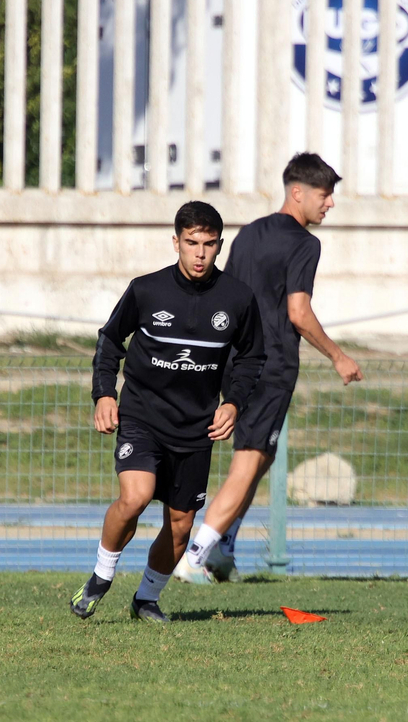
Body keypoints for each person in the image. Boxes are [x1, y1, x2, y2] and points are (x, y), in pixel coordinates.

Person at [70, 202, 265, 622]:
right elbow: (109, 342)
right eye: (191, 243)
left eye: (209, 244)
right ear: (175, 242)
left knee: (180, 526)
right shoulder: (146, 290)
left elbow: (252, 358)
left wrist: (232, 402)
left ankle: (146, 599)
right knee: (135, 496)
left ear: (219, 245)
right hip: (142, 417)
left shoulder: (238, 298)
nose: (200, 253)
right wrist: (104, 394)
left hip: (196, 428)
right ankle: (101, 576)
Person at [173, 153, 363, 584]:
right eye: (324, 194)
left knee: (264, 456)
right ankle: (194, 556)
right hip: (272, 364)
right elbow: (298, 312)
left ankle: (223, 551)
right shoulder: (305, 244)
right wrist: (338, 355)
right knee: (250, 458)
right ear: (297, 192)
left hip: (235, 362)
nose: (329, 203)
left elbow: (226, 296)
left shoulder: (249, 234)